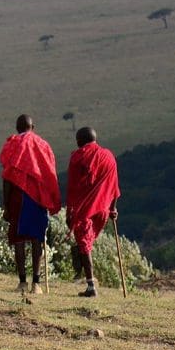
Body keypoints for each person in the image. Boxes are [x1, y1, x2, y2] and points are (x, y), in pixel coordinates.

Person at [0, 114, 61, 294]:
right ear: (33, 127)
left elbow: (7, 177)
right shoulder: (44, 146)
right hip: (38, 198)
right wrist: (50, 199)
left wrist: (6, 205)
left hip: (17, 196)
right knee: (37, 239)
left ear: (17, 128)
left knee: (18, 239)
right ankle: (37, 283)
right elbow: (50, 174)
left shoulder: (12, 144)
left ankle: (22, 282)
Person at [66, 126, 120, 298]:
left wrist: (69, 211)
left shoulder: (78, 156)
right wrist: (113, 208)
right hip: (103, 209)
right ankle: (87, 279)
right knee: (86, 244)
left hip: (85, 210)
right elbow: (114, 186)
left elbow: (72, 186)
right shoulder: (109, 156)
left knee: (84, 245)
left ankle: (91, 286)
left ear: (80, 141)